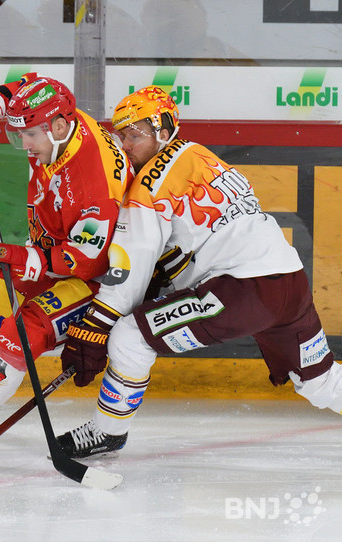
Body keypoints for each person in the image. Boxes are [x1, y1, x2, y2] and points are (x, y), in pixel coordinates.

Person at [56, 85, 341, 457]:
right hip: (288, 280)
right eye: (121, 136)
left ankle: (108, 431)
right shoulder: (197, 152)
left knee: (129, 337)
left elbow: (130, 271)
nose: (125, 145)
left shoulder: (146, 188)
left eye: (134, 135)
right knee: (320, 382)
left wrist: (95, 324)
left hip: (243, 289)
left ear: (163, 130)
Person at [0, 74, 133, 462]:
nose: (25, 146)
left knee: (20, 333)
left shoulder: (92, 182)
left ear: (59, 127)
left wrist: (24, 259)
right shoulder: (61, 121)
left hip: (99, 281)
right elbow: (33, 83)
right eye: (19, 135)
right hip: (54, 253)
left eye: (30, 135)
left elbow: (88, 261)